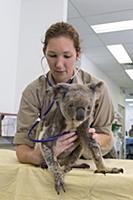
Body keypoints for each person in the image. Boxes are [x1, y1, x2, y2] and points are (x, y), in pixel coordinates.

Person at [14, 21, 114, 166]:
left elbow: (106, 136)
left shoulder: (97, 90)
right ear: (44, 53)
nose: (59, 64)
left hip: (85, 162)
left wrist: (91, 139)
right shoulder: (33, 92)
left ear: (77, 54)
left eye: (67, 56)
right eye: (52, 55)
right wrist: (38, 156)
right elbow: (22, 145)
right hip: (52, 162)